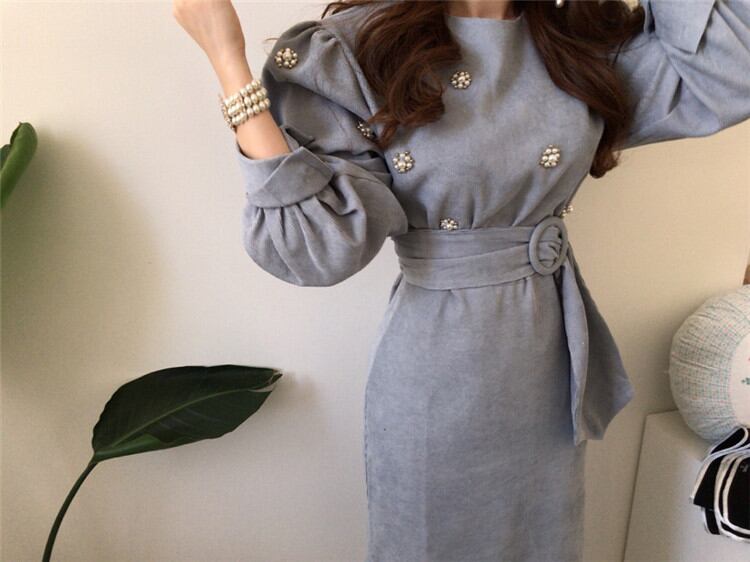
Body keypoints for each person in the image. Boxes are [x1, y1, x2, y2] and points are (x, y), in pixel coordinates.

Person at [174, 0, 750, 559]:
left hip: (547, 363)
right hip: (440, 374)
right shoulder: (361, 49)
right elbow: (314, 249)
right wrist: (228, 61)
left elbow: (732, 69)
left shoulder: (577, 41)